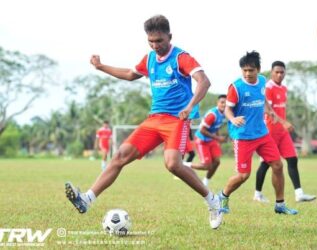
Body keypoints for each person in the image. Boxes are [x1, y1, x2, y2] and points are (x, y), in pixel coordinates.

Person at [65, 15, 223, 229]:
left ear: (169, 36)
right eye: (151, 41)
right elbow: (131, 74)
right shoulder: (149, 59)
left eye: (159, 40)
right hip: (153, 120)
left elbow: (204, 81)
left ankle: (213, 201)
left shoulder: (181, 57)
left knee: (173, 164)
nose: (155, 45)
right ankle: (86, 199)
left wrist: (189, 106)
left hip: (177, 120)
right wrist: (101, 66)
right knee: (119, 155)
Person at [218, 51, 298, 215]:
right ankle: (223, 196)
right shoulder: (236, 87)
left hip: (262, 134)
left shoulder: (262, 81)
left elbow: (263, 101)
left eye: (251, 70)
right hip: (243, 137)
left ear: (258, 70)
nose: (247, 74)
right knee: (243, 176)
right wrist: (233, 119)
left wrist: (270, 111)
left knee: (277, 165)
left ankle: (280, 205)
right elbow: (227, 109)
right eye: (244, 70)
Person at [254, 61, 316, 203]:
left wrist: (283, 124)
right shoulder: (268, 87)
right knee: (266, 163)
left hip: (282, 132)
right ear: (271, 72)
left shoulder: (284, 88)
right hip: (269, 131)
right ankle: (257, 194)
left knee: (292, 159)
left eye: (282, 72)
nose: (279, 74)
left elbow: (280, 109)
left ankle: (299, 194)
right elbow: (268, 109)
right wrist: (284, 122)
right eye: (277, 72)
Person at [183, 95, 227, 187]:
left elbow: (216, 126)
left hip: (211, 140)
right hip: (201, 140)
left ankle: (206, 181)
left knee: (216, 162)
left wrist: (218, 138)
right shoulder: (212, 115)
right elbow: (202, 130)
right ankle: (185, 164)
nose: (224, 104)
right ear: (217, 103)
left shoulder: (223, 113)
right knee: (206, 166)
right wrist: (218, 138)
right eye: (222, 102)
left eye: (226, 103)